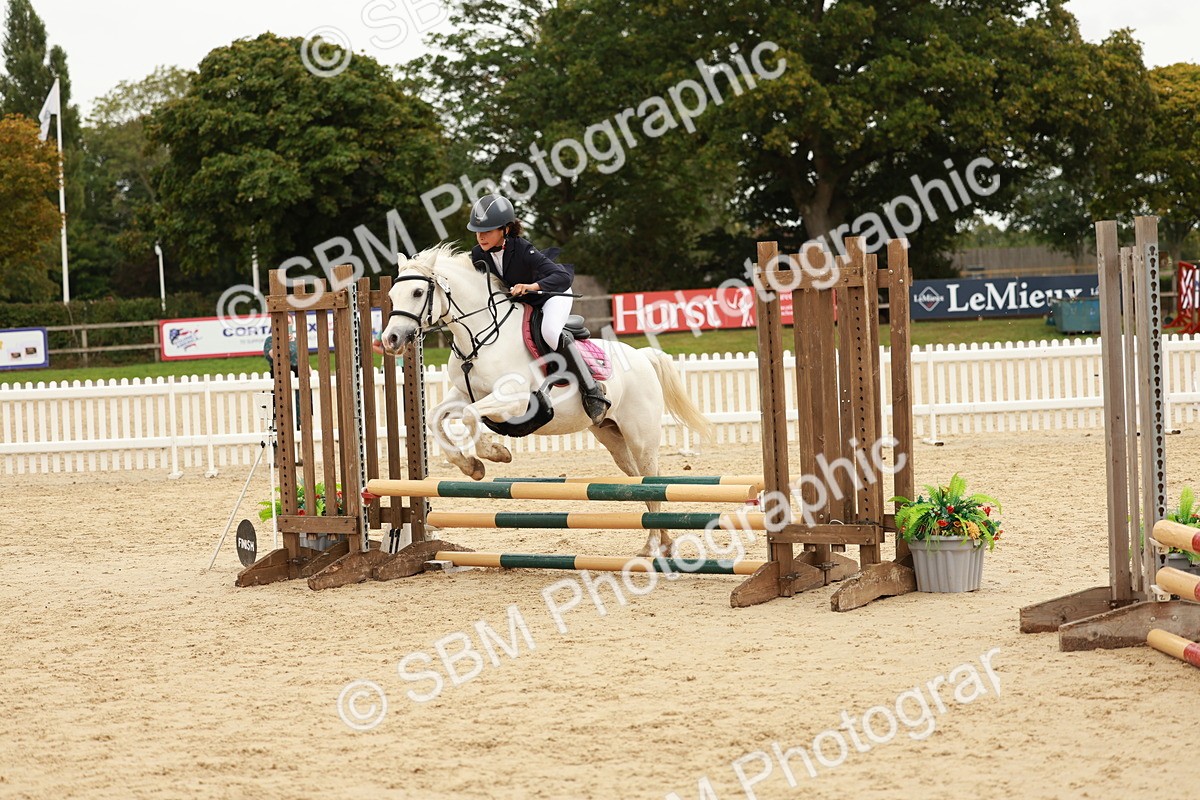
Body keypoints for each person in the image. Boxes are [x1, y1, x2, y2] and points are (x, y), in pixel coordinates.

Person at [467, 193, 610, 425]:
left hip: (551, 294)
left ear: (505, 229)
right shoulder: (477, 254)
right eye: (477, 230)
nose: (481, 236)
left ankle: (592, 391)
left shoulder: (522, 248)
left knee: (550, 332)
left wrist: (532, 286)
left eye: (488, 230)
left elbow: (561, 276)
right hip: (521, 302)